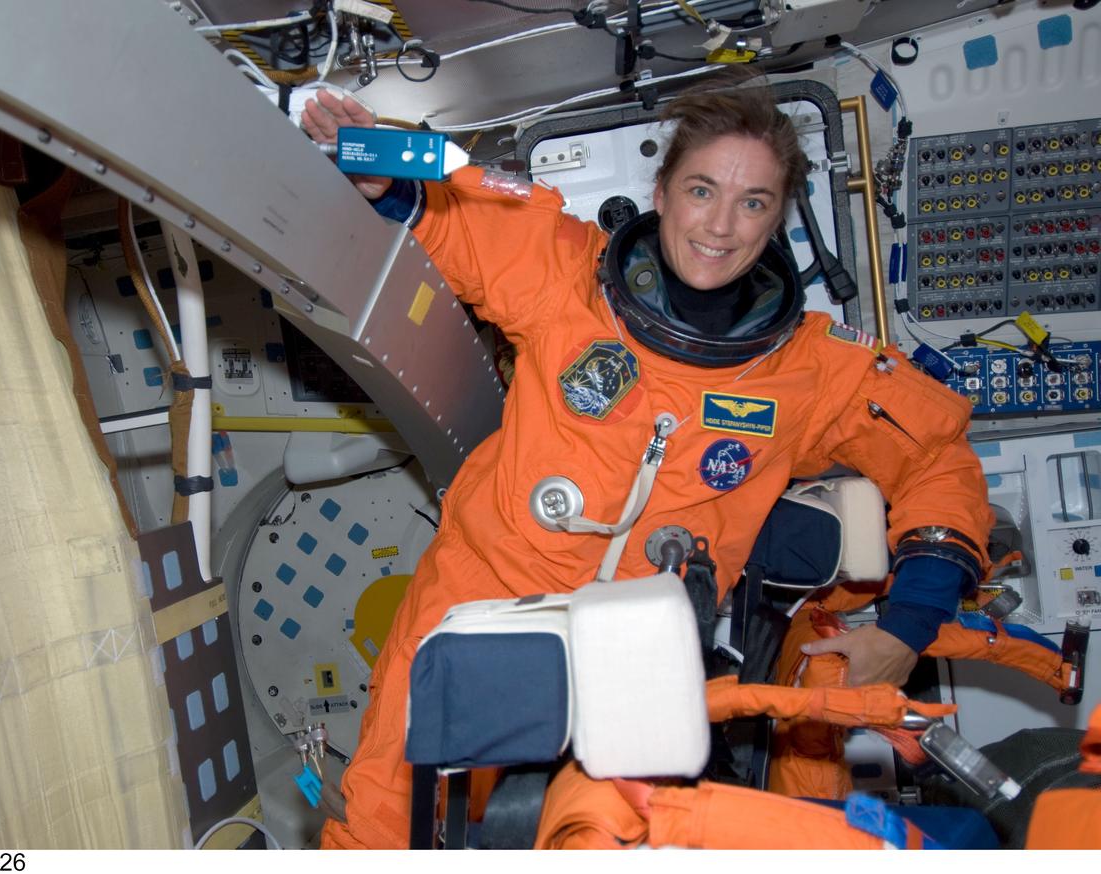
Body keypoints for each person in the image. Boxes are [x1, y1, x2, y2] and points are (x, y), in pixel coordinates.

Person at [301, 77, 993, 849]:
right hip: (478, 607)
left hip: (642, 649)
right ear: (662, 191)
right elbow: (456, 225)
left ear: (779, 221)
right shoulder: (568, 276)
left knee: (608, 838)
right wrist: (384, 181)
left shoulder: (812, 371)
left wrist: (906, 626)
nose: (721, 226)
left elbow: (936, 455)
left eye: (753, 202)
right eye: (702, 190)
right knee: (384, 828)